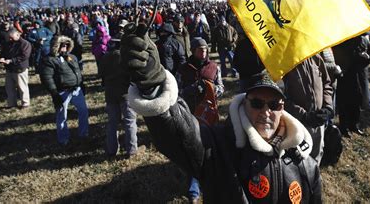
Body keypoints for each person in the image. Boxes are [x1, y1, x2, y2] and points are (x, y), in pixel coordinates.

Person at [120, 30, 322, 203]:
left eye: (274, 104)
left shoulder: (306, 165)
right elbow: (182, 135)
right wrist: (153, 85)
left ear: (283, 107)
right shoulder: (219, 149)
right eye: (257, 103)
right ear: (244, 103)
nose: (266, 111)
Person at [176, 37, 224, 202]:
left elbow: (221, 87)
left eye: (205, 49)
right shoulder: (184, 69)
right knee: (193, 151)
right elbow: (177, 91)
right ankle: (193, 190)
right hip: (190, 115)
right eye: (200, 49)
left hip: (209, 115)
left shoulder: (214, 67)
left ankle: (214, 180)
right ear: (193, 51)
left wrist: (213, 89)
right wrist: (191, 89)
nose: (203, 52)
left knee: (211, 149)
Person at [283, 54, 334, 163]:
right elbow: (280, 98)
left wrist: (327, 107)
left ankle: (314, 177)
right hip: (297, 123)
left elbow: (327, 83)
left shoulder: (316, 58)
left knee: (316, 156)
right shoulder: (283, 63)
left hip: (318, 122)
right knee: (298, 160)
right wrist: (303, 115)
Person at [39, 35, 89, 146]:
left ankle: (83, 133)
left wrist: (81, 83)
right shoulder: (49, 60)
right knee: (62, 116)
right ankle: (63, 138)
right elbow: (47, 78)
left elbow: (78, 72)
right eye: (62, 45)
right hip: (62, 91)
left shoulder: (72, 57)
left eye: (67, 45)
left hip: (76, 90)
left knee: (84, 111)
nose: (65, 47)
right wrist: (54, 93)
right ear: (56, 46)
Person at [99, 38, 138, 158]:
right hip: (125, 94)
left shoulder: (104, 57)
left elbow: (101, 75)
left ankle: (112, 150)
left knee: (112, 123)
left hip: (110, 94)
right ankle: (131, 150)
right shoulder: (125, 58)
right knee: (130, 122)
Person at [333, 33, 370, 138]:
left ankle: (354, 125)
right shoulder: (341, 39)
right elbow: (337, 57)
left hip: (359, 75)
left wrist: (367, 57)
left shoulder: (364, 39)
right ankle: (344, 127)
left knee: (357, 100)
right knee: (344, 102)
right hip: (345, 76)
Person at [0, 28, 32, 108]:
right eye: (9, 37)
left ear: (17, 34)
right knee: (9, 88)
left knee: (22, 87)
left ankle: (25, 103)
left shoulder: (25, 43)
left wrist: (11, 61)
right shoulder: (7, 43)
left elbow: (24, 56)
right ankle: (11, 104)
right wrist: (2, 58)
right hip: (9, 69)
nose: (10, 39)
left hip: (20, 69)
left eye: (11, 37)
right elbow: (3, 52)